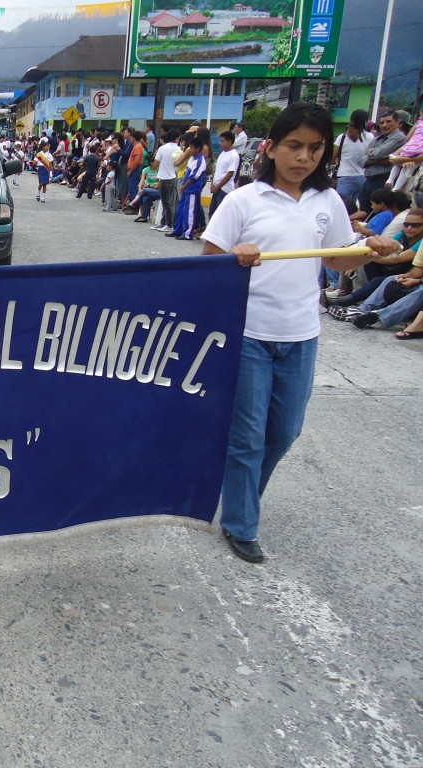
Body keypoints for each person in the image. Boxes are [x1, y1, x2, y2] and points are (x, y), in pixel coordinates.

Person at [200, 102, 400, 564]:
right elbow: (208, 262)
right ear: (271, 148)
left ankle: (239, 496)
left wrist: (370, 249)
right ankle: (241, 521)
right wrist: (238, 256)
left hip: (302, 335)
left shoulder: (327, 201)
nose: (303, 157)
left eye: (314, 148)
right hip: (249, 334)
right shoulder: (243, 200)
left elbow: (335, 260)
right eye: (294, 146)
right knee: (247, 435)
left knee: (284, 433)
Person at [359, 111, 406, 212]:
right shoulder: (377, 139)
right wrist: (377, 160)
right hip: (369, 179)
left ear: (398, 123)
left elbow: (378, 153)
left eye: (389, 121)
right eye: (381, 123)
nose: (384, 125)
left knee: (378, 211)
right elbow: (360, 160)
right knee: (364, 208)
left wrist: (370, 156)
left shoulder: (399, 138)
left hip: (384, 179)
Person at [333, 109, 373, 214]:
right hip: (362, 177)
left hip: (345, 176)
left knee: (340, 207)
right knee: (352, 208)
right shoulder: (370, 137)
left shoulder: (343, 137)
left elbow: (332, 155)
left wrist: (337, 159)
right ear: (365, 121)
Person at [170, 136, 206, 240]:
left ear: (198, 148)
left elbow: (194, 177)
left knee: (189, 212)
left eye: (192, 148)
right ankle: (178, 230)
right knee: (181, 210)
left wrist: (184, 186)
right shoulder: (192, 159)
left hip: (192, 190)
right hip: (186, 189)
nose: (190, 150)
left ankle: (188, 233)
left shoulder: (200, 161)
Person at [150, 128, 181, 232]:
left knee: (166, 202)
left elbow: (155, 164)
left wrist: (152, 166)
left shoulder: (163, 148)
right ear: (177, 138)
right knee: (169, 201)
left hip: (164, 177)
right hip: (174, 177)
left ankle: (168, 224)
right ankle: (164, 222)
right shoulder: (179, 149)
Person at [386, 108, 423, 192]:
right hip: (419, 149)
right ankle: (396, 188)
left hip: (410, 147)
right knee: (407, 169)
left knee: (401, 166)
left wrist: (403, 157)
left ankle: (390, 180)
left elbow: (408, 137)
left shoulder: (418, 123)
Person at [208, 131, 240, 220]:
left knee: (220, 215)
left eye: (222, 141)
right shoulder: (222, 153)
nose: (220, 143)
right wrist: (212, 183)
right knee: (212, 213)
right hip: (216, 187)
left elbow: (230, 173)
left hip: (224, 189)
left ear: (230, 141)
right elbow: (218, 170)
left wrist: (218, 186)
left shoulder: (233, 155)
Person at [35, 137, 53, 204]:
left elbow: (50, 164)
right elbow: (35, 161)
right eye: (47, 146)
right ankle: (38, 193)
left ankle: (43, 197)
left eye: (49, 146)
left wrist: (51, 172)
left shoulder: (49, 155)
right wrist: (34, 165)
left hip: (46, 170)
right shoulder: (39, 154)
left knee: (45, 184)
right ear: (43, 147)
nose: (48, 148)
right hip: (41, 169)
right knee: (41, 184)